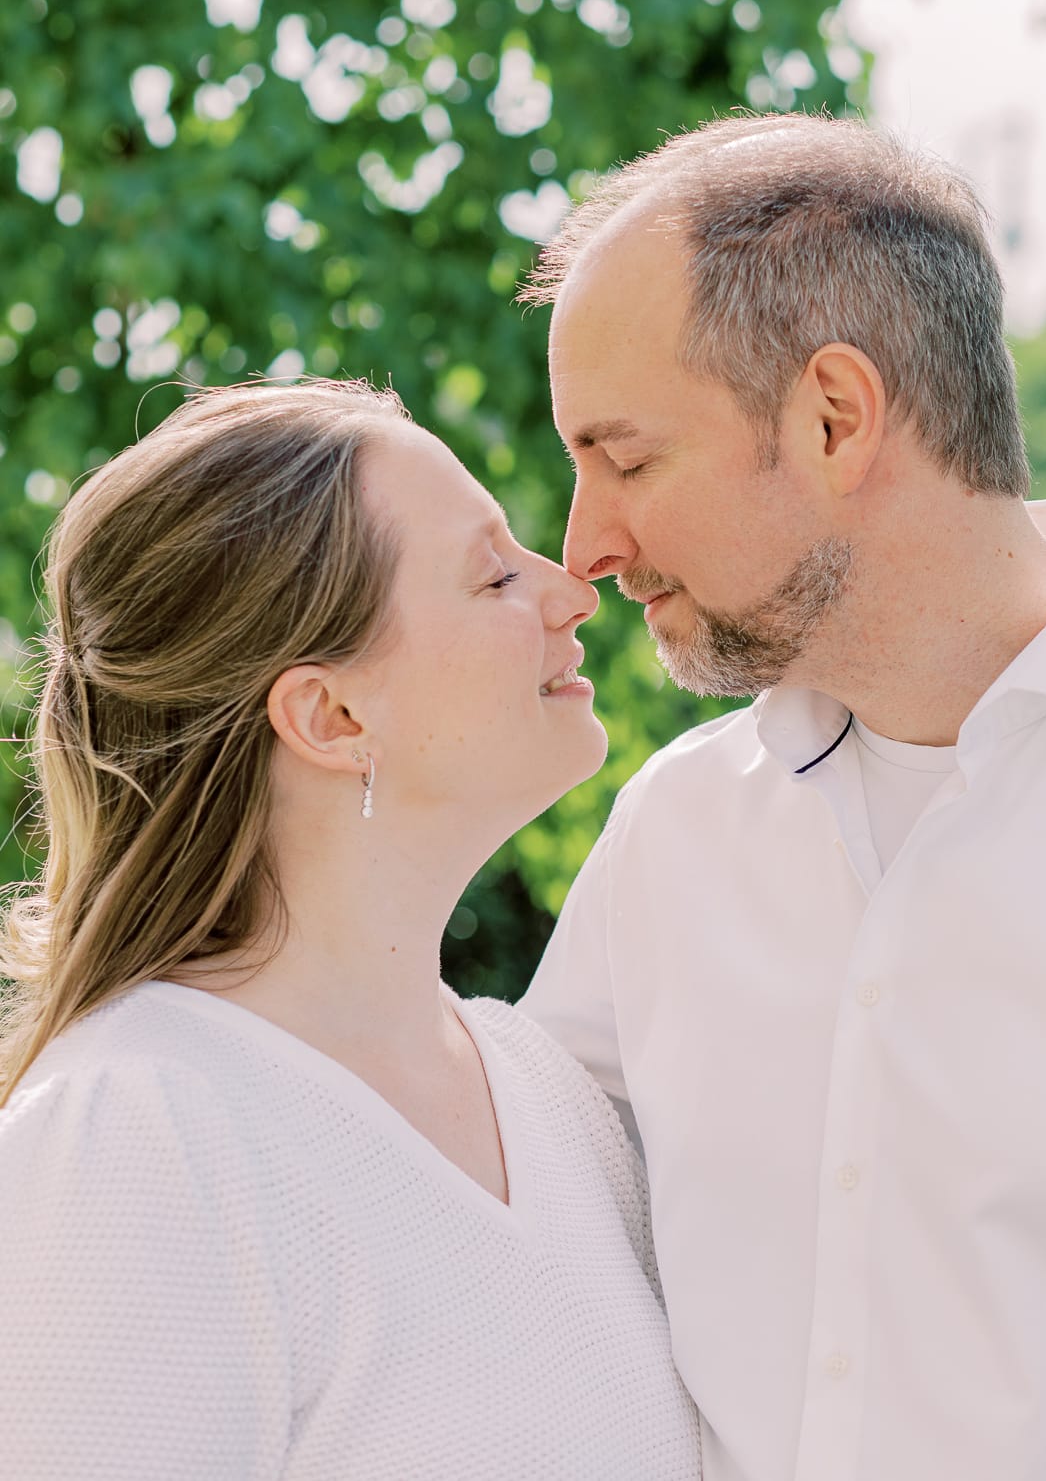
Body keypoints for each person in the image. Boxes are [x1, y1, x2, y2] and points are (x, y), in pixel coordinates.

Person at [519, 111, 1046, 1481]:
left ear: (833, 415)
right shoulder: (672, 833)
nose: (586, 545)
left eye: (625, 459)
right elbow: (496, 1228)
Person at [0, 378, 701, 1481]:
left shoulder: (547, 1096)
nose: (572, 593)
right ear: (334, 717)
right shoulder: (135, 1133)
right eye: (495, 575)